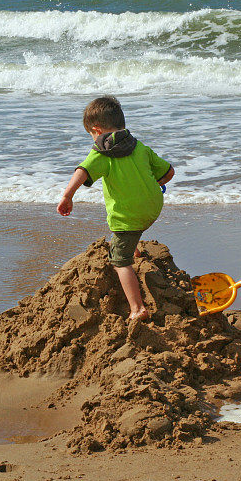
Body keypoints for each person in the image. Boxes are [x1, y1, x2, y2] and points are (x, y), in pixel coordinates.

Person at [57, 96, 174, 321]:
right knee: (133, 226)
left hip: (128, 215)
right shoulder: (139, 146)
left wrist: (67, 196)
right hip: (152, 206)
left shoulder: (102, 152)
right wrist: (150, 185)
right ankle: (135, 248)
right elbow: (169, 172)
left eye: (91, 135)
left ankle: (137, 308)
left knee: (120, 261)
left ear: (97, 130)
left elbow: (82, 171)